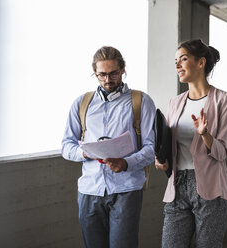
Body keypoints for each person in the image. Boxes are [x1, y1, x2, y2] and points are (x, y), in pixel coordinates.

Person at [61, 46, 155, 248]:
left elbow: (151, 148)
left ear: (123, 69)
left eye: (113, 73)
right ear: (95, 73)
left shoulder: (140, 101)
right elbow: (66, 146)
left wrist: (126, 163)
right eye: (101, 74)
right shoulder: (82, 103)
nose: (107, 79)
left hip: (126, 189)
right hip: (89, 190)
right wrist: (84, 152)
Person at [155, 39, 227, 247]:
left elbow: (222, 152)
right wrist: (163, 161)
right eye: (175, 61)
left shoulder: (224, 100)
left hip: (211, 190)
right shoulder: (175, 102)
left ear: (201, 63)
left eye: (183, 59)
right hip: (177, 186)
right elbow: (171, 146)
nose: (177, 66)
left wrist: (205, 134)